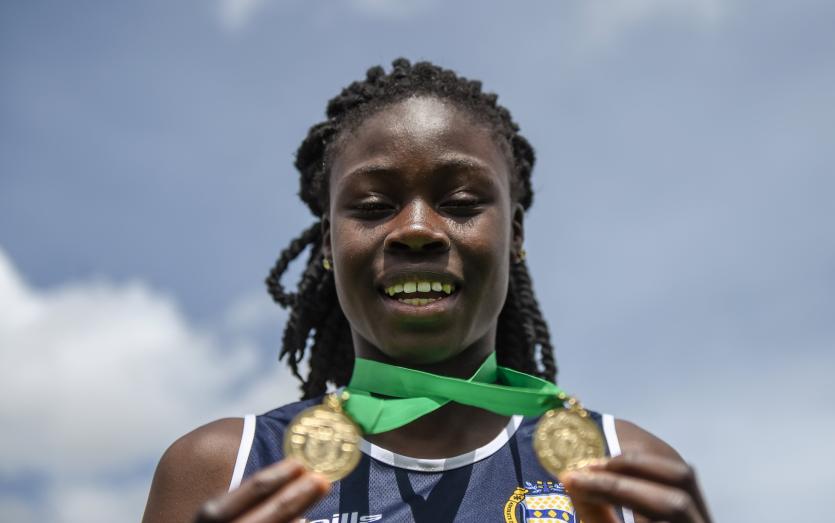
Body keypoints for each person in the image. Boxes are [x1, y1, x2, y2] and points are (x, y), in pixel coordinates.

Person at [142, 59, 712, 523]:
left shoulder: (625, 468)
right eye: (373, 207)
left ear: (515, 235)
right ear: (328, 243)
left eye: (461, 204)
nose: (416, 229)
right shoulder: (225, 466)